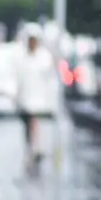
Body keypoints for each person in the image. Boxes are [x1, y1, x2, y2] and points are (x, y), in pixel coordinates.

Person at [15, 30, 60, 170]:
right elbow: (20, 78)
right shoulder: (24, 57)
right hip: (25, 99)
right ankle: (32, 148)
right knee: (28, 126)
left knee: (35, 124)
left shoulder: (43, 58)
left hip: (38, 100)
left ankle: (36, 149)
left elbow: (49, 77)